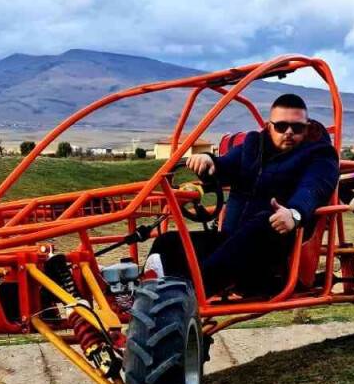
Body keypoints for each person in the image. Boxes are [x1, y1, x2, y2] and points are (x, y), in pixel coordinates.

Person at [145, 93, 340, 297]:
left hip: (274, 260)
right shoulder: (253, 145)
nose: (289, 132)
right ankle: (146, 295)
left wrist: (294, 214)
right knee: (167, 243)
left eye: (297, 127)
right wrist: (208, 161)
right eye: (282, 126)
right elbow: (225, 165)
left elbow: (314, 188)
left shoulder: (319, 154)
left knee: (266, 220)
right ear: (269, 126)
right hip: (234, 244)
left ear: (307, 127)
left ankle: (190, 292)